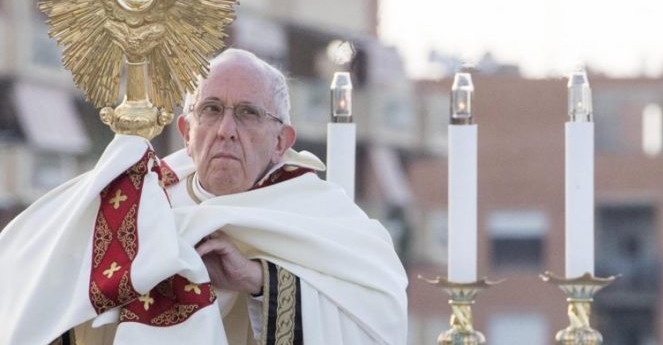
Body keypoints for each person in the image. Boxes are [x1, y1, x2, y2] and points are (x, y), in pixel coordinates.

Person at [0, 48, 408, 345]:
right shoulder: (143, 206)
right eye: (211, 110)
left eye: (248, 113)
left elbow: (380, 318)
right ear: (186, 131)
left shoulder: (322, 216)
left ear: (281, 141)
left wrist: (259, 281)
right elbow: (39, 283)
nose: (226, 129)